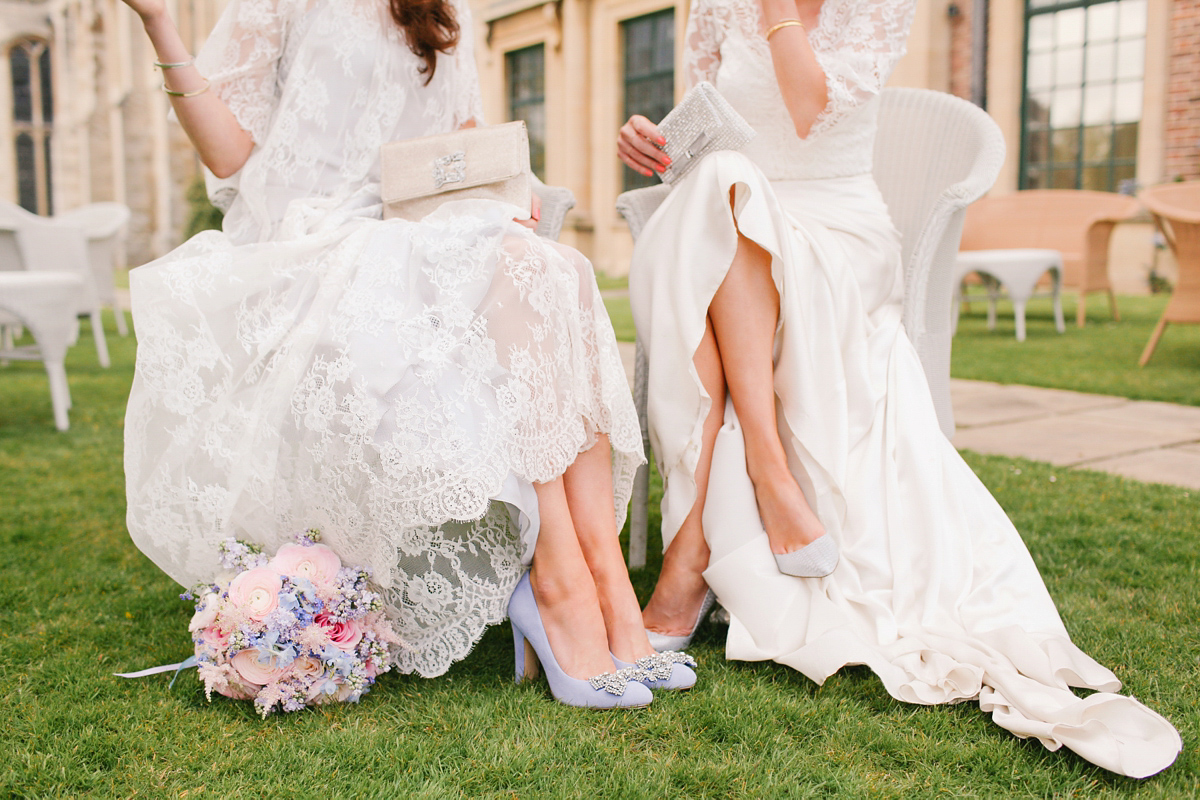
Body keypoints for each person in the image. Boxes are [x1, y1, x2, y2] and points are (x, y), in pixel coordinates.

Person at [618, 0, 1181, 775]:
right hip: (737, 210)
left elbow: (808, 108)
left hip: (838, 228)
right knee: (720, 185)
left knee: (726, 221)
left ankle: (696, 552)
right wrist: (655, 141)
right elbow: (708, 135)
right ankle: (765, 477)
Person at [120, 0, 696, 709]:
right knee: (528, 271)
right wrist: (158, 23)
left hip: (421, 223)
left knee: (560, 270)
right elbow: (232, 155)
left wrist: (501, 195)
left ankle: (604, 580)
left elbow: (461, 139)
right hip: (317, 235)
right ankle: (559, 584)